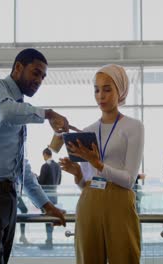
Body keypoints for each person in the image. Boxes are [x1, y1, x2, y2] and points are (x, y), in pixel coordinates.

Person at [0, 48, 68, 264]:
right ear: (18, 67)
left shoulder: (20, 112)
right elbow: (2, 112)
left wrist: (46, 205)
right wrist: (47, 114)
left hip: (7, 197)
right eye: (36, 73)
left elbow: (19, 167)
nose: (39, 81)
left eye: (43, 77)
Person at [60, 64, 144, 264]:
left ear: (120, 91)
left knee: (125, 257)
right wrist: (78, 175)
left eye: (107, 89)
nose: (101, 96)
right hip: (89, 200)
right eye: (97, 90)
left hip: (120, 201)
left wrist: (98, 164)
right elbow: (86, 183)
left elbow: (129, 180)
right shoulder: (88, 131)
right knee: (87, 258)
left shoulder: (133, 127)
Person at [37, 148, 62, 250]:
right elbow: (59, 182)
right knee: (51, 219)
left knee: (47, 219)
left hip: (46, 197)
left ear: (45, 154)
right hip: (54, 196)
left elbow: (41, 182)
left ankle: (49, 242)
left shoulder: (45, 166)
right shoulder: (57, 166)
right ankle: (50, 241)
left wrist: (36, 178)